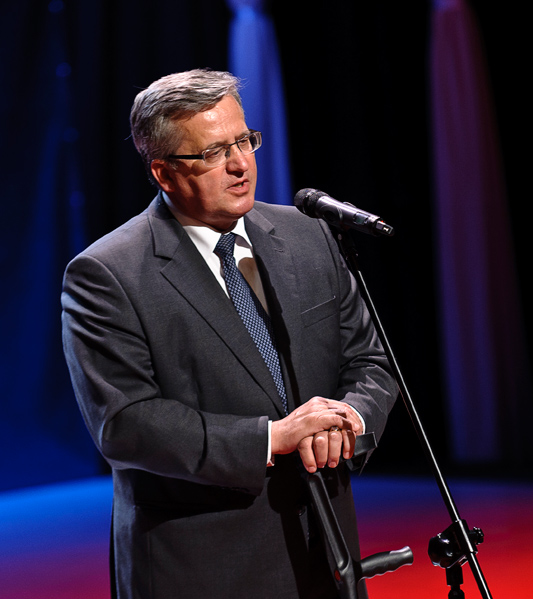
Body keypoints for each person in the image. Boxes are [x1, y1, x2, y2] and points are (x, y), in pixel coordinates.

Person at [61, 69, 398, 599]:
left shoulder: (308, 234)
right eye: (214, 152)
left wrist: (348, 420)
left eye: (244, 140)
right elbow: (125, 424)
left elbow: (370, 359)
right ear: (164, 172)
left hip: (327, 550)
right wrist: (272, 437)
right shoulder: (107, 274)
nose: (241, 164)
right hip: (200, 563)